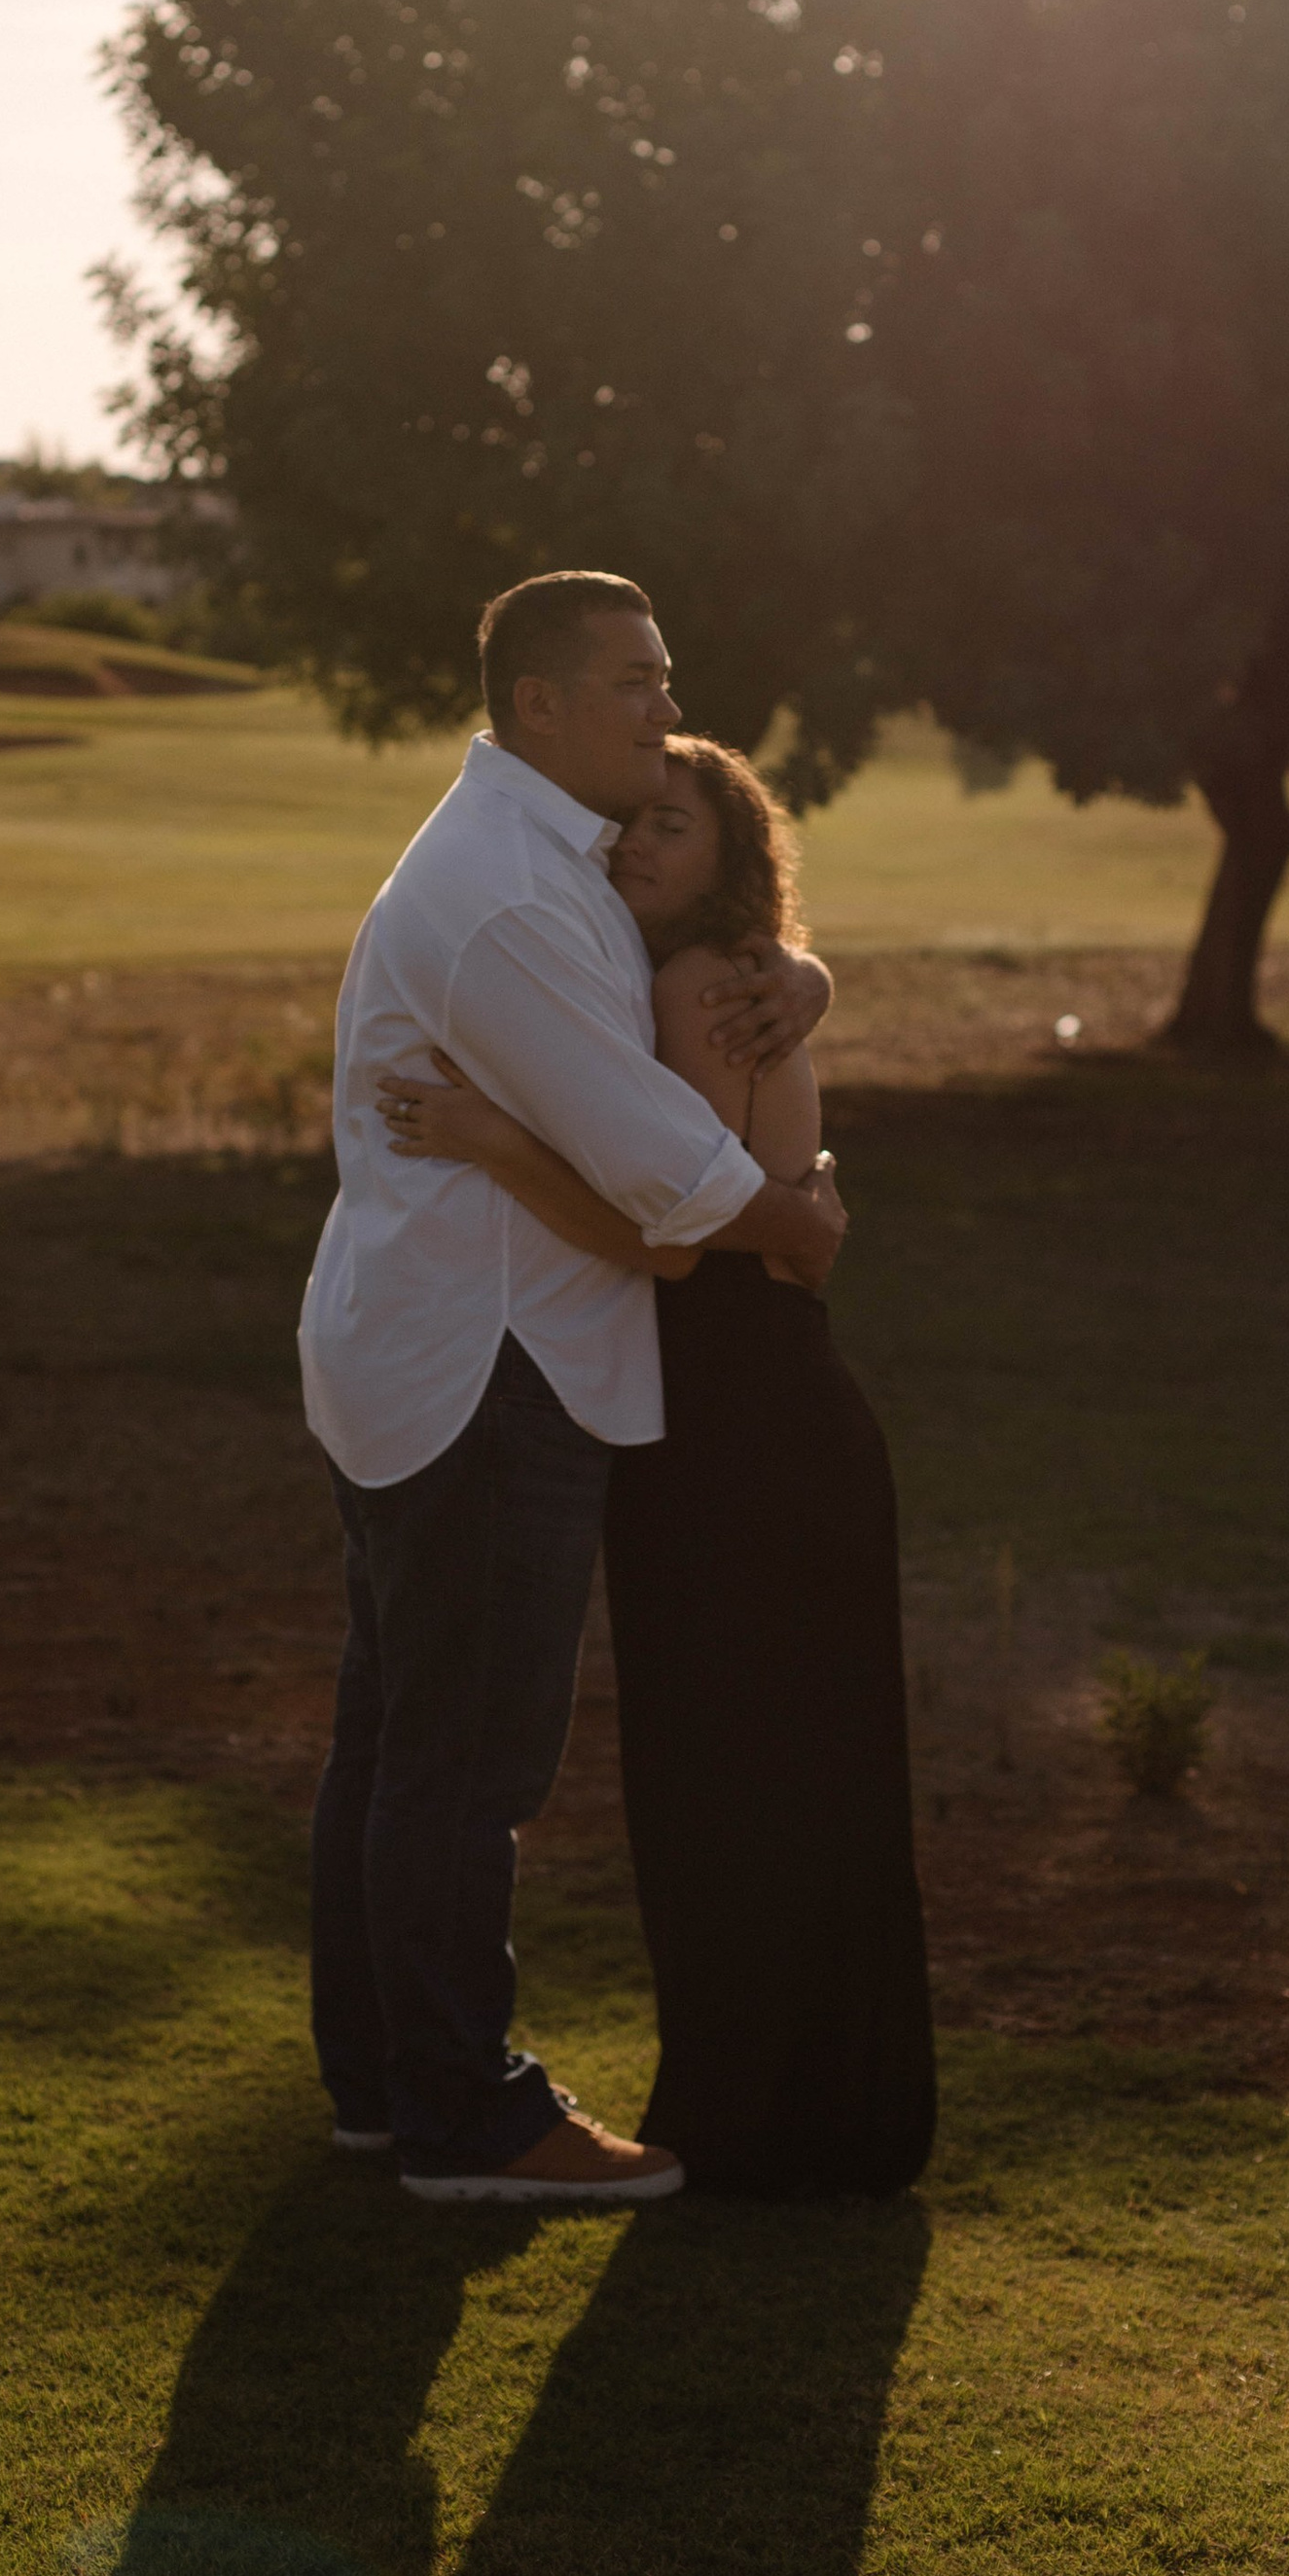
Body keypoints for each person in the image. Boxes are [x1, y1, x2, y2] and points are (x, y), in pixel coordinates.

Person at [301, 572, 846, 2205]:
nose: (657, 707)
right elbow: (671, 1179)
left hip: (441, 1346)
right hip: (490, 1366)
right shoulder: (512, 901)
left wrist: (802, 987)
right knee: (461, 1770)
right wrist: (801, 1215)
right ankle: (468, 2120)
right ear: (536, 704)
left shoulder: (553, 862)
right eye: (629, 680)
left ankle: (388, 2090)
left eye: (665, 674)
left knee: (400, 1745)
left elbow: (712, 975)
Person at [380, 733, 935, 2200]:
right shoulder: (740, 974)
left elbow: (679, 1232)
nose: (633, 845)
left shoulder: (695, 990)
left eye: (669, 826)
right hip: (761, 1414)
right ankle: (821, 2110)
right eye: (628, 822)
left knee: (734, 1775)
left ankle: (758, 2120)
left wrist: (494, 1133)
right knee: (789, 1772)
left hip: (734, 1427)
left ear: (731, 854)